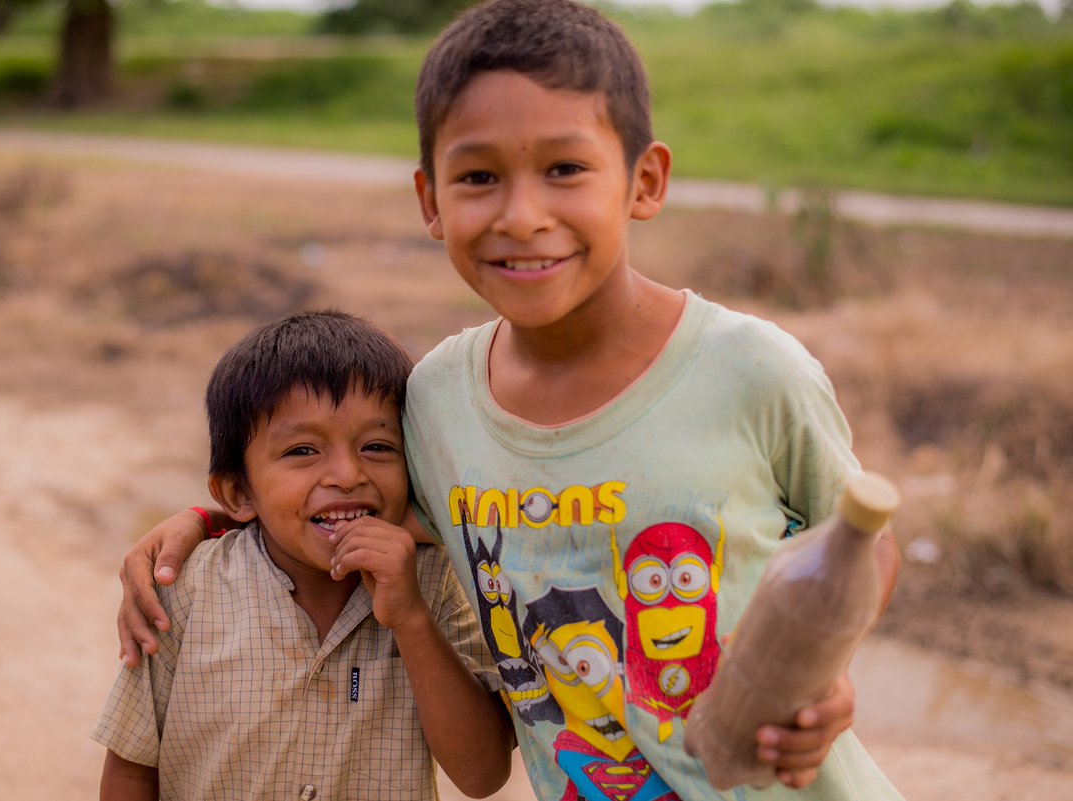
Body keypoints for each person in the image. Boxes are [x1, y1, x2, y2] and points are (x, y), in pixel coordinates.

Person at [115, 1, 904, 799]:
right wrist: (202, 523)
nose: (522, 217)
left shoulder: (752, 370)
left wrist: (820, 675)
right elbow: (351, 498)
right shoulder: (437, 402)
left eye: (565, 168)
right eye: (480, 177)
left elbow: (863, 541)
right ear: (430, 199)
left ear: (645, 180)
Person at [93, 310, 514, 801]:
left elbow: (483, 775)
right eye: (301, 451)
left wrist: (412, 619)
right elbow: (130, 767)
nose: (347, 474)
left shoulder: (436, 581)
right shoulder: (187, 592)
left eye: (378, 446)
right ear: (236, 492)